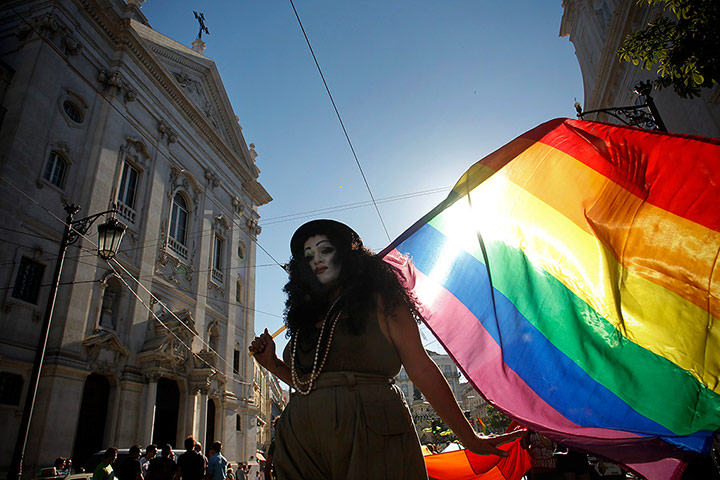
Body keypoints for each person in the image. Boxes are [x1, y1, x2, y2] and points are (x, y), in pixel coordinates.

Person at [249, 219, 526, 479]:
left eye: (325, 250)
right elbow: (308, 383)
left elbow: (421, 368)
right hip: (301, 440)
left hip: (371, 431)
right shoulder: (304, 317)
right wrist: (271, 363)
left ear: (348, 255)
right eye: (308, 255)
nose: (316, 259)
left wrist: (468, 436)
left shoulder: (383, 301)